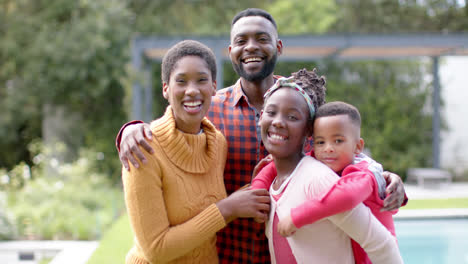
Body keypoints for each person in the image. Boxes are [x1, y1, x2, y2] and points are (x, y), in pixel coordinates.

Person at [116, 8, 407, 264]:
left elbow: (341, 150)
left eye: (262, 39)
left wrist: (381, 175)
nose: (251, 47)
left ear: (278, 46)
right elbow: (175, 127)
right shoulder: (210, 111)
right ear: (231, 52)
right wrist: (130, 130)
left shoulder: (303, 106)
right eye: (241, 41)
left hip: (286, 252)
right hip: (228, 255)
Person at [121, 40, 270, 264]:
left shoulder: (217, 144)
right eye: (181, 81)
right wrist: (227, 208)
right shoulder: (144, 149)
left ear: (213, 87)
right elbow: (156, 250)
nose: (192, 90)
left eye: (201, 80)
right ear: (166, 89)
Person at [252, 70, 403, 263]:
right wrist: (256, 193)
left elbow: (382, 245)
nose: (279, 121)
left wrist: (298, 217)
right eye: (272, 112)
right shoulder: (278, 179)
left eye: (292, 117)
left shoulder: (317, 178)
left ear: (308, 130)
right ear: (262, 116)